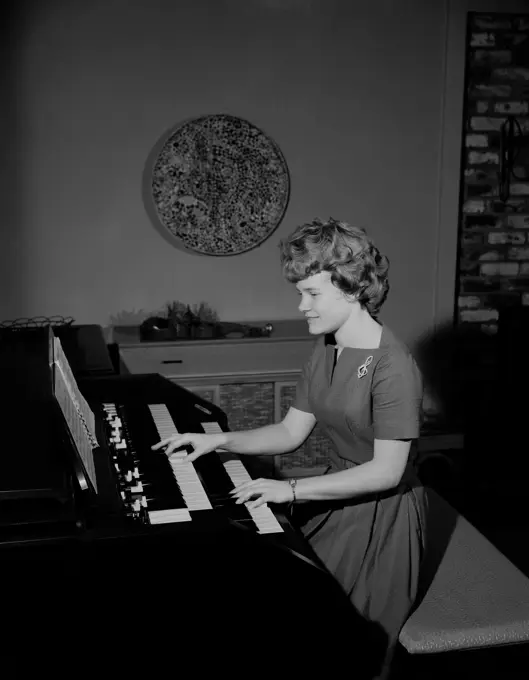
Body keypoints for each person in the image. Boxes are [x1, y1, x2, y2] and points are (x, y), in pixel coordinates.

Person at [152, 217, 426, 678]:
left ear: (354, 287)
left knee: (336, 643)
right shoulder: (328, 347)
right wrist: (217, 440)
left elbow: (387, 473)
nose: (301, 306)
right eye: (299, 292)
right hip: (339, 493)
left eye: (312, 293)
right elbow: (289, 432)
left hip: (384, 517)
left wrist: (291, 489)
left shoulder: (393, 365)